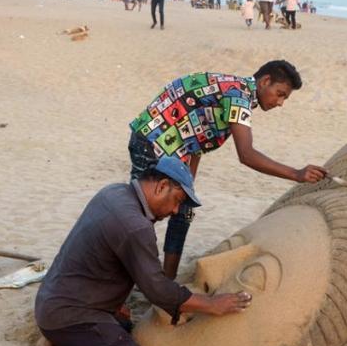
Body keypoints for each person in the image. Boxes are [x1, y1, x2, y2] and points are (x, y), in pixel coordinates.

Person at [10, 157, 253, 346]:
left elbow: (101, 258)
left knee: (125, 324)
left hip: (52, 300)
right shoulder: (135, 226)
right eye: (177, 200)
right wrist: (211, 304)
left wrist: (115, 302)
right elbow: (157, 289)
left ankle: (59, 343)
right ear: (162, 186)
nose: (176, 210)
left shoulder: (113, 192)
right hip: (68, 314)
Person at [127, 61, 327, 278]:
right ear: (265, 81)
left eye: (284, 98)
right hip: (153, 140)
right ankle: (121, 278)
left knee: (183, 210)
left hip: (173, 146)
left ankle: (167, 278)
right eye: (280, 94)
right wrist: (296, 174)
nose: (280, 103)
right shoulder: (238, 96)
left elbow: (197, 137)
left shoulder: (236, 90)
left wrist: (188, 182)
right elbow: (246, 154)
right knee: (141, 214)